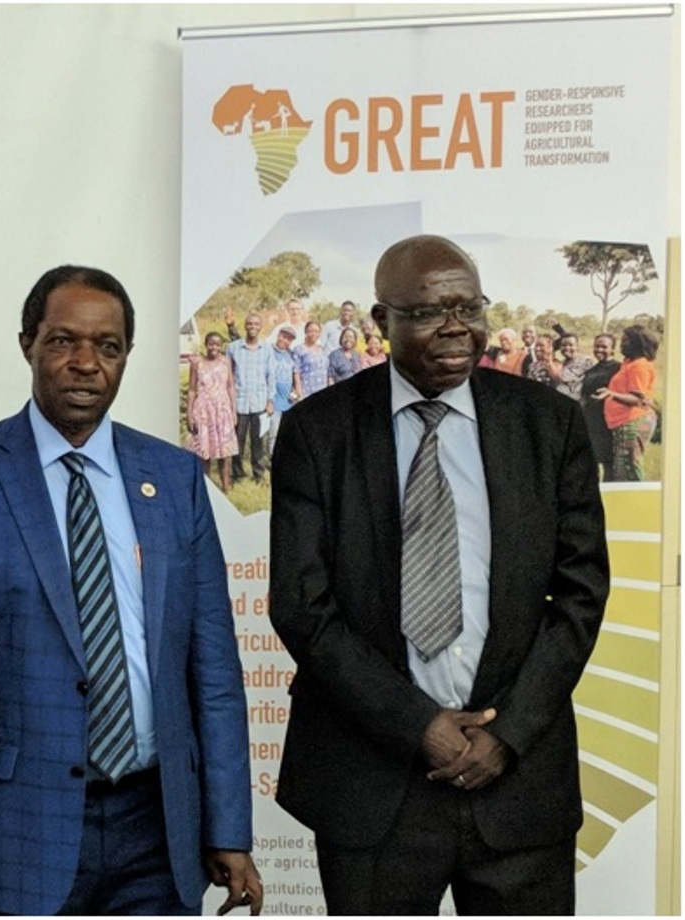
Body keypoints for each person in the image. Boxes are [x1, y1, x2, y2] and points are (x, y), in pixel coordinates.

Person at [0, 265, 260, 916]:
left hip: (157, 825)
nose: (86, 363)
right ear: (27, 345)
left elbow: (213, 671)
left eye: (108, 346)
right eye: (64, 341)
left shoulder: (174, 478)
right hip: (16, 832)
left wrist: (229, 828)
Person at [269, 234, 608, 914]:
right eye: (428, 311)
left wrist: (507, 733)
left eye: (469, 306)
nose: (456, 326)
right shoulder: (317, 431)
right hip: (374, 789)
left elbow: (580, 592)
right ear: (379, 322)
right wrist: (418, 723)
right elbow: (303, 606)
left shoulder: (550, 424)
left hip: (517, 788)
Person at [594, 324, 659, 481]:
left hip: (633, 421)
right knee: (623, 468)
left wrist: (611, 394)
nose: (621, 344)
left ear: (638, 343)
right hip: (625, 422)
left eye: (625, 341)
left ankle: (639, 503)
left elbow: (638, 399)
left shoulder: (639, 366)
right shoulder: (629, 363)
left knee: (628, 468)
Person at [223, 311, 274, 483]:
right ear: (245, 326)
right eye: (249, 323)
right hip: (239, 403)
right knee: (238, 440)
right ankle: (238, 474)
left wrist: (269, 401)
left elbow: (271, 376)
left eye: (256, 324)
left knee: (258, 442)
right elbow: (228, 375)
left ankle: (258, 475)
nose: (252, 327)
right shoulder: (233, 348)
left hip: (260, 402)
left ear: (260, 327)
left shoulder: (267, 348)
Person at [186, 331, 240, 491]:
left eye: (217, 344)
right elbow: (191, 390)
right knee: (204, 451)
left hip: (222, 410)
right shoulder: (197, 363)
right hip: (203, 411)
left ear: (221, 346)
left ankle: (226, 485)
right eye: (211, 344)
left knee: (225, 452)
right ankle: (207, 488)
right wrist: (189, 414)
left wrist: (233, 410)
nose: (214, 347)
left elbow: (230, 386)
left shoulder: (226, 362)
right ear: (206, 344)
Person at [579, 333, 621, 477]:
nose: (599, 349)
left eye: (604, 346)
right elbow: (584, 396)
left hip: (609, 422)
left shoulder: (618, 369)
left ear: (612, 350)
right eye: (597, 346)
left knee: (609, 463)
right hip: (591, 421)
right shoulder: (591, 371)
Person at [264, 325, 297, 458]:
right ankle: (273, 460)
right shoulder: (268, 350)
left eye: (289, 339)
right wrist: (268, 400)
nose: (285, 340)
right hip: (274, 401)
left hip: (288, 402)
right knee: (274, 434)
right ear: (278, 335)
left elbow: (295, 378)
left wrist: (294, 394)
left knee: (287, 434)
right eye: (284, 336)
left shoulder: (290, 354)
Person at [291, 320, 329, 401]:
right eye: (310, 331)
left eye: (316, 331)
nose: (313, 334)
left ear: (320, 333)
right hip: (306, 392)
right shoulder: (299, 350)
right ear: (305, 332)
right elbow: (296, 373)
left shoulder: (322, 349)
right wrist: (299, 393)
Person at [551, 333, 595, 401]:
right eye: (563, 345)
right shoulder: (560, 364)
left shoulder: (586, 362)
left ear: (577, 346)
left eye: (571, 345)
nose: (567, 348)